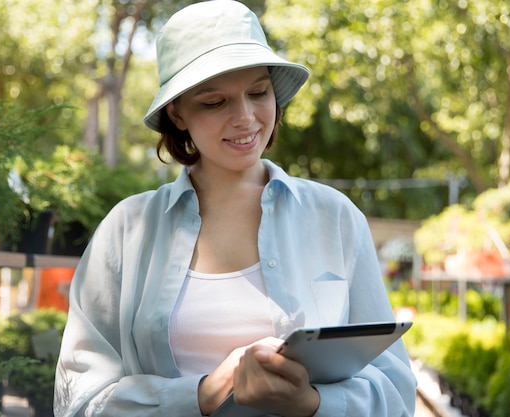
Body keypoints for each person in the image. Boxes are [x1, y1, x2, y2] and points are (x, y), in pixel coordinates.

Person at [54, 1, 417, 416]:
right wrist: (202, 394)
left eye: (258, 92)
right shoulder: (127, 229)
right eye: (215, 102)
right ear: (177, 113)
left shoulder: (334, 217)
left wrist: (313, 402)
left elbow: (395, 391)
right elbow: (76, 400)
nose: (245, 117)